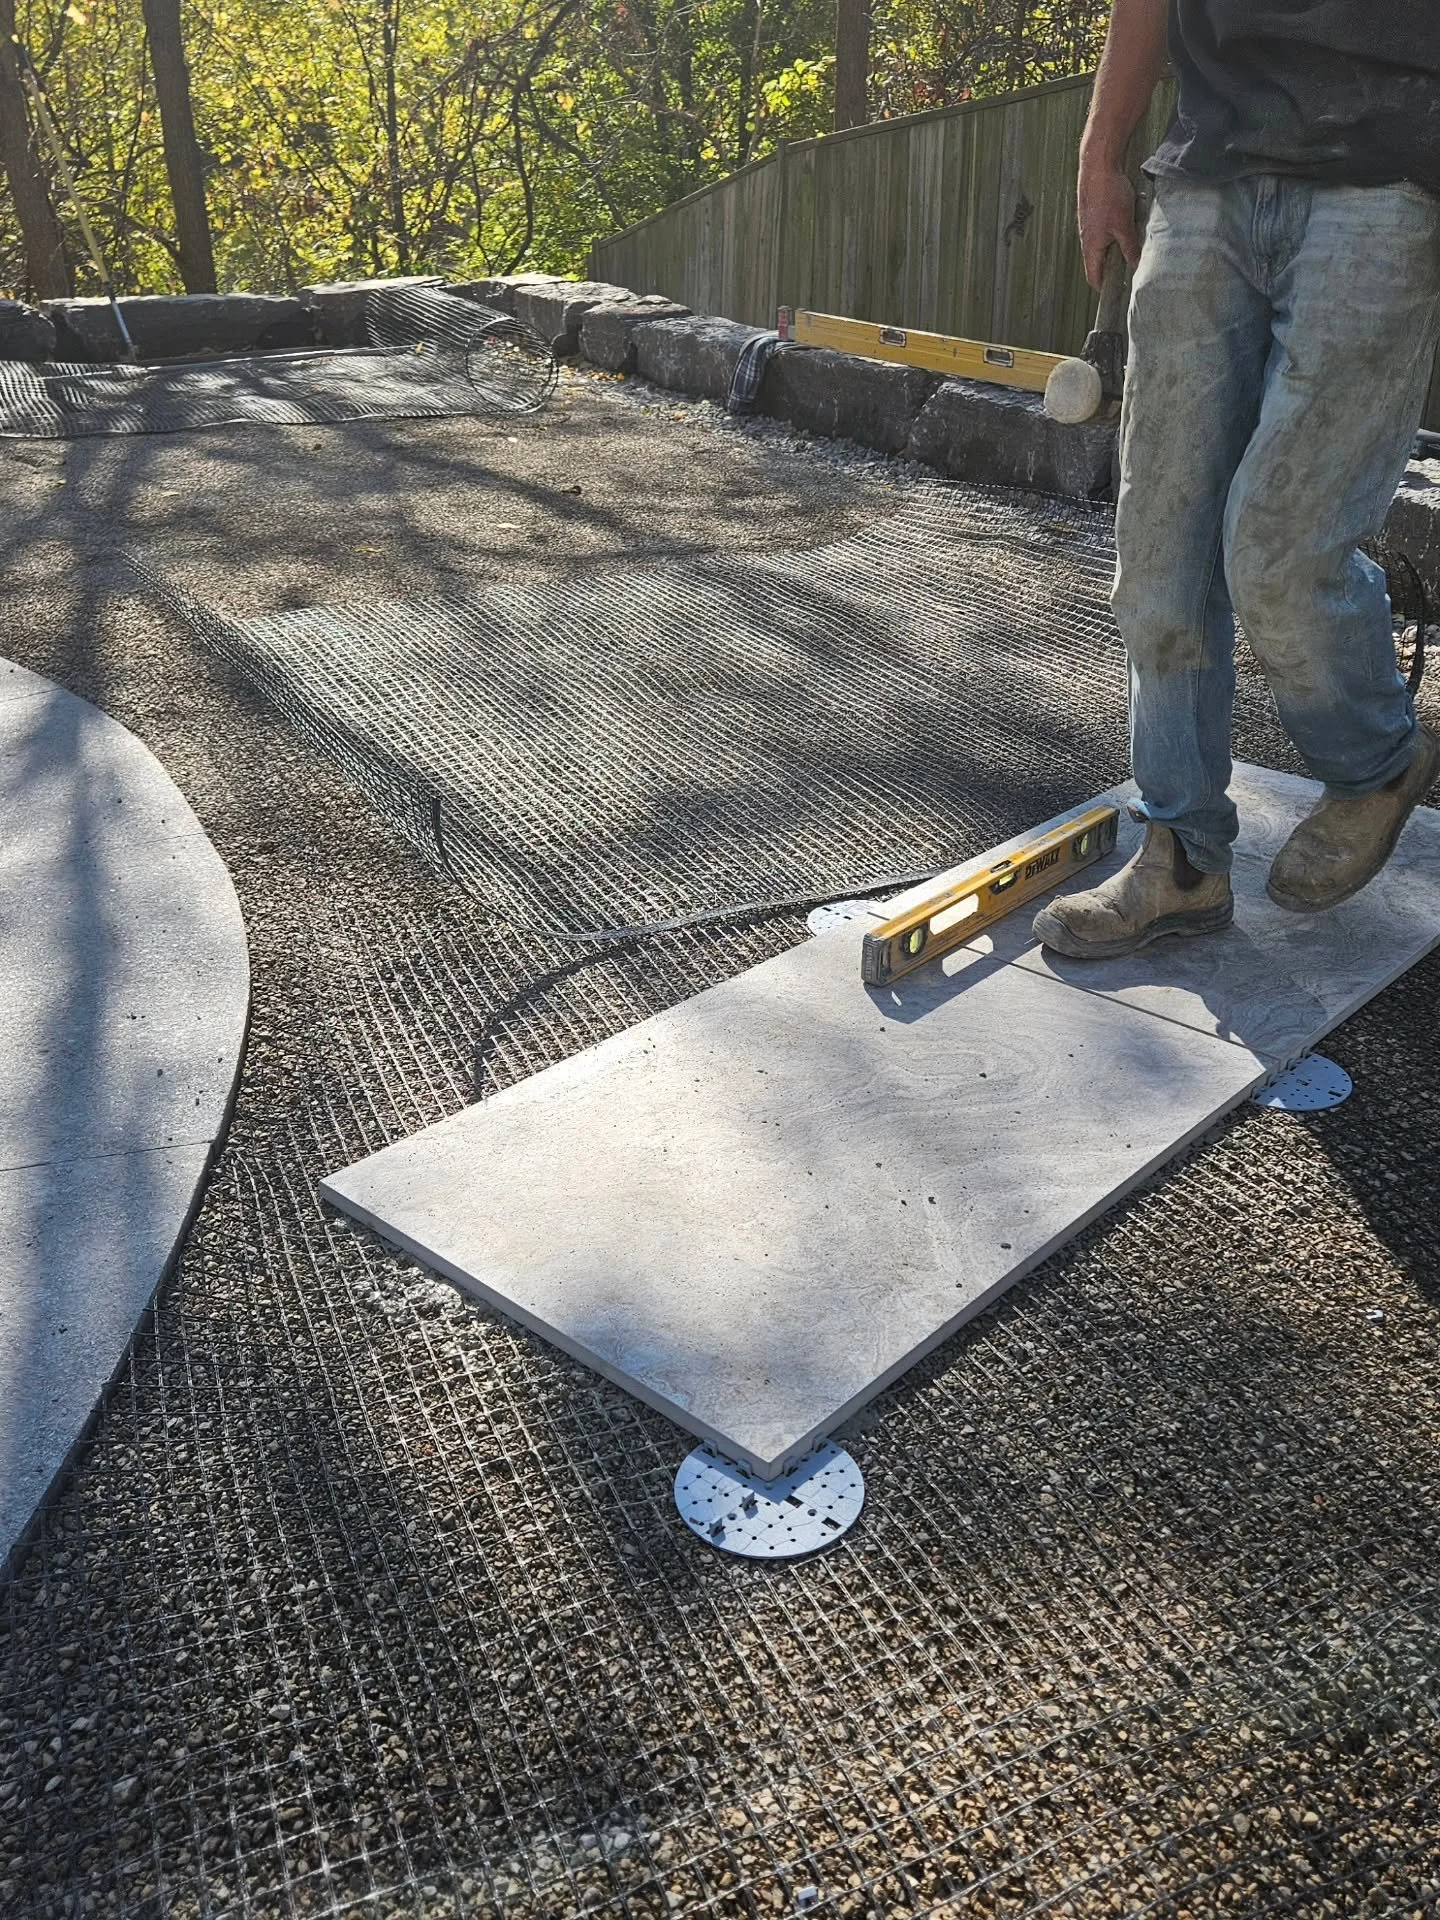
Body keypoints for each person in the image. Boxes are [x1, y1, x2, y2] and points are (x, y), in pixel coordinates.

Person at [1032, 0, 1440, 960]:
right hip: (1207, 168)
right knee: (1160, 546)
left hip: (1386, 174)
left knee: (1277, 545)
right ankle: (1180, 857)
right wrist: (1102, 150)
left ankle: (1375, 764)